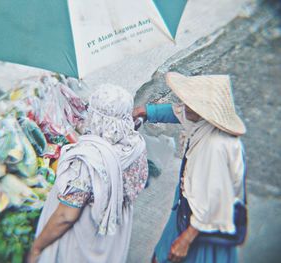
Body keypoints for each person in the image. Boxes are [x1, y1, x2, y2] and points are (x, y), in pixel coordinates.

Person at [133, 72, 246, 263]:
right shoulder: (204, 120)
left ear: (204, 111)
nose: (184, 106)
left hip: (201, 226)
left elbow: (216, 199)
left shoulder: (215, 147)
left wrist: (186, 239)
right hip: (186, 211)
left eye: (189, 104)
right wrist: (146, 111)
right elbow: (178, 112)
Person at [28, 84, 148, 263]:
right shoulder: (136, 145)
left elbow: (66, 216)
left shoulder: (87, 161)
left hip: (84, 237)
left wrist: (37, 248)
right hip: (113, 233)